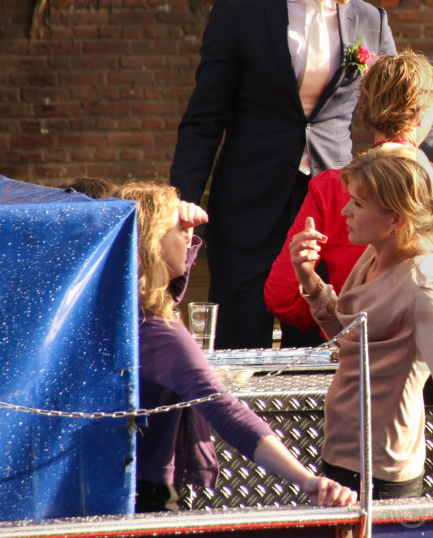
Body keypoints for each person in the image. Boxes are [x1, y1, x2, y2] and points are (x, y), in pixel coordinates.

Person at [169, 0, 433, 349]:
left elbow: (410, 111)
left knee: (323, 340)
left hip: (338, 207)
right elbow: (204, 119)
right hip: (249, 208)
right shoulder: (240, 13)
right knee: (239, 344)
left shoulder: (369, 20)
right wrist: (180, 202)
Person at [117, 181, 354, 512]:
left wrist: (179, 228)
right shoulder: (161, 332)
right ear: (151, 243)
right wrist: (305, 479)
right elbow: (228, 412)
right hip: (148, 493)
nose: (191, 236)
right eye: (179, 229)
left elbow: (168, 290)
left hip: (113, 479)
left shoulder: (118, 309)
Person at [290, 145, 433, 507]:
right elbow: (349, 339)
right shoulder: (376, 251)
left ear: (396, 220)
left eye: (357, 204)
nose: (345, 211)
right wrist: (308, 277)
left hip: (379, 469)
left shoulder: (422, 283)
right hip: (341, 451)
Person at [265, 50, 433, 343]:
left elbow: (281, 296)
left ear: (368, 111)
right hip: (428, 354)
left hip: (351, 349)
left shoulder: (329, 186)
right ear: (424, 113)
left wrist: (332, 321)